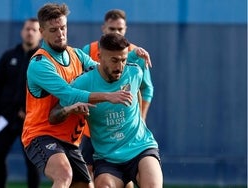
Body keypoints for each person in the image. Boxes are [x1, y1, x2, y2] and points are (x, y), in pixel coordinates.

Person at [21, 3, 151, 188]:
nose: (60, 33)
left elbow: (102, 70)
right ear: (41, 31)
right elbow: (69, 94)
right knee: (64, 174)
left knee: (86, 185)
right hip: (42, 134)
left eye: (63, 27)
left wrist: (130, 58)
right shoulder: (40, 64)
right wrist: (108, 96)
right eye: (54, 30)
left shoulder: (76, 54)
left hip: (71, 140)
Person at [49, 33, 163, 188]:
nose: (120, 67)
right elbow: (54, 116)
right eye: (114, 60)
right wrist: (70, 110)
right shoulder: (83, 82)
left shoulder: (134, 72)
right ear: (99, 56)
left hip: (141, 148)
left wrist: (135, 55)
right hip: (108, 158)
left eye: (123, 60)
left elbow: (145, 88)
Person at [81, 9, 154, 187]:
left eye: (120, 29)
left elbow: (146, 89)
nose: (116, 33)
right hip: (95, 129)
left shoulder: (136, 55)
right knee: (88, 174)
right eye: (112, 29)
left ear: (125, 30)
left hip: (125, 129)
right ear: (103, 28)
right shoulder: (88, 50)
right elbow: (81, 85)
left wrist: (142, 117)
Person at [0, 18, 42, 188]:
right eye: (27, 29)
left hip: (30, 120)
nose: (30, 32)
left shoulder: (43, 60)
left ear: (40, 34)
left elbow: (47, 93)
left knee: (32, 161)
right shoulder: (8, 56)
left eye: (34, 29)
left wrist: (29, 112)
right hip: (5, 118)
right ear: (22, 32)